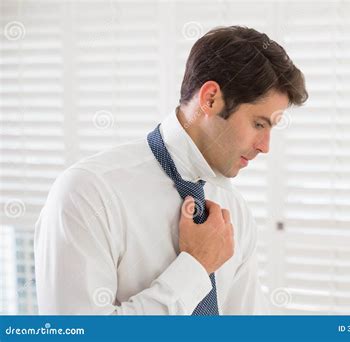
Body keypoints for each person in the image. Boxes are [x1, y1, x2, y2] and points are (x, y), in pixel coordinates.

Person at [34, 25, 308, 315]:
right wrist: (195, 268)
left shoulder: (234, 211)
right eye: (258, 124)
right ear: (211, 99)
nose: (265, 146)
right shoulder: (88, 193)